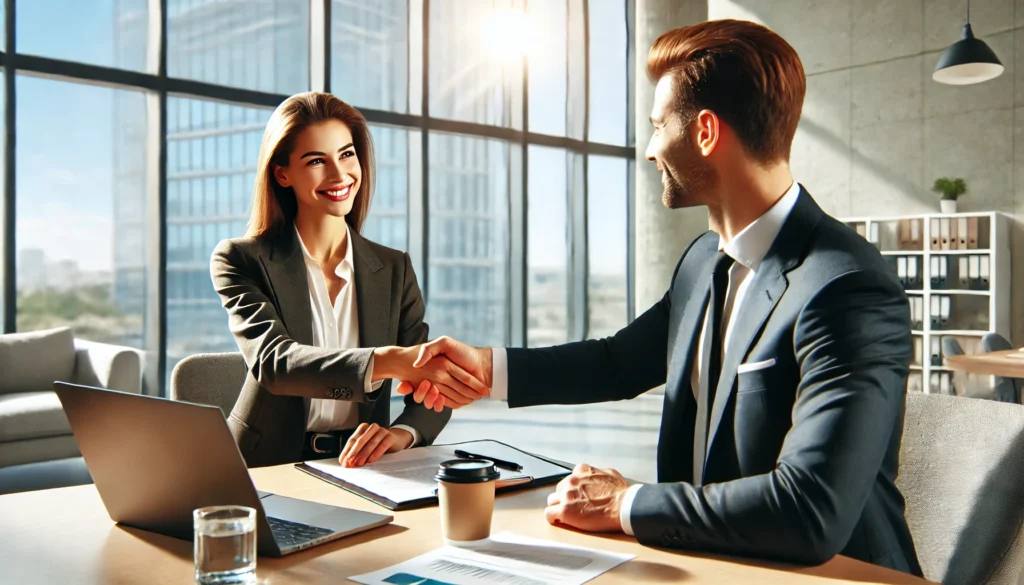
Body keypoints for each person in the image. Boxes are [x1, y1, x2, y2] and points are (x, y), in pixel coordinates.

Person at [399, 20, 922, 575]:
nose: (650, 151)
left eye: (656, 126)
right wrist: (484, 370)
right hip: (713, 560)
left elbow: (808, 511)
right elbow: (619, 363)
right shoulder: (703, 260)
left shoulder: (846, 289)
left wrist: (624, 501)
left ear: (704, 132)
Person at [210, 92, 486, 470]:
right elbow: (275, 362)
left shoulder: (393, 268)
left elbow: (428, 390)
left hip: (364, 466)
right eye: (316, 161)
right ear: (282, 173)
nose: (339, 175)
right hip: (264, 466)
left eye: (346, 154)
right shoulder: (241, 259)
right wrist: (391, 361)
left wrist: (400, 434)